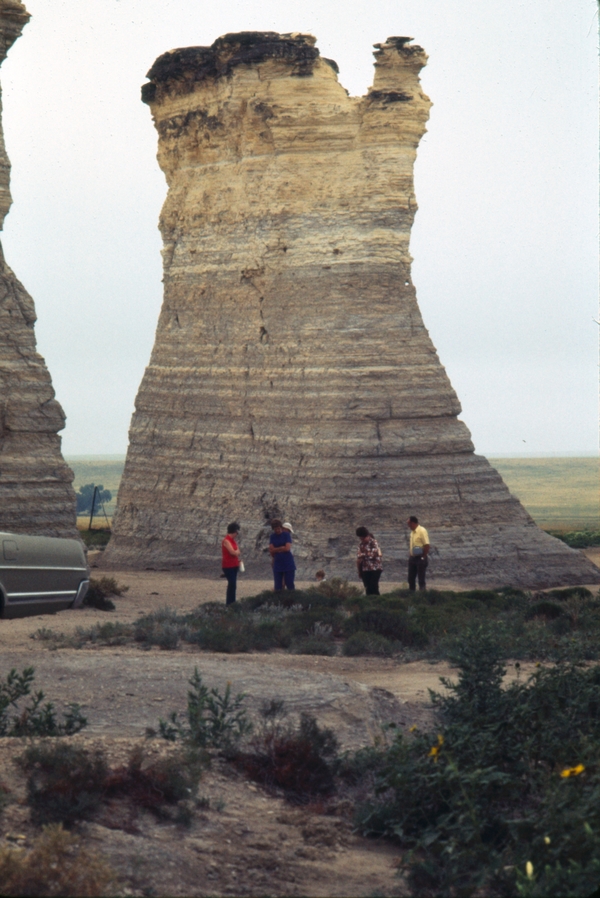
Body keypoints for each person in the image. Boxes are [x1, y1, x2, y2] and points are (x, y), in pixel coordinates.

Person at [269, 518, 296, 590]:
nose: (277, 530)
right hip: (278, 563)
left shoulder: (286, 535)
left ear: (281, 527)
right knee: (278, 585)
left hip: (288, 563)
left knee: (289, 583)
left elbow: (287, 548)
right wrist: (281, 548)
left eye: (278, 528)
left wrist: (276, 549)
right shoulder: (272, 536)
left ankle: (292, 600)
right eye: (275, 529)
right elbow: (271, 550)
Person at [356, 526, 383, 595]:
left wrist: (363, 555)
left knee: (374, 587)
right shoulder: (361, 545)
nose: (362, 540)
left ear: (367, 536)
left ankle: (377, 602)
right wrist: (359, 570)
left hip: (375, 568)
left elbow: (373, 555)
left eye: (363, 538)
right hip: (365, 569)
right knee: (367, 588)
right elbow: (359, 556)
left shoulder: (374, 543)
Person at [407, 516, 430, 591]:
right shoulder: (412, 533)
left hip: (420, 558)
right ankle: (411, 593)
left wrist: (423, 557)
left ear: (413, 523)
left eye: (409, 524)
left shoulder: (422, 531)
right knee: (411, 578)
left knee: (421, 578)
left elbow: (426, 545)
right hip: (413, 558)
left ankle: (422, 594)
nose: (408, 526)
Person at [221, 522, 242, 605]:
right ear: (234, 531)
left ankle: (232, 602)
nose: (237, 534)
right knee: (232, 583)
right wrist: (236, 552)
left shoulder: (233, 541)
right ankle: (229, 603)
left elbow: (238, 552)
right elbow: (233, 552)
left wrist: (236, 552)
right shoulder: (226, 540)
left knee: (233, 585)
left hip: (234, 565)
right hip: (228, 565)